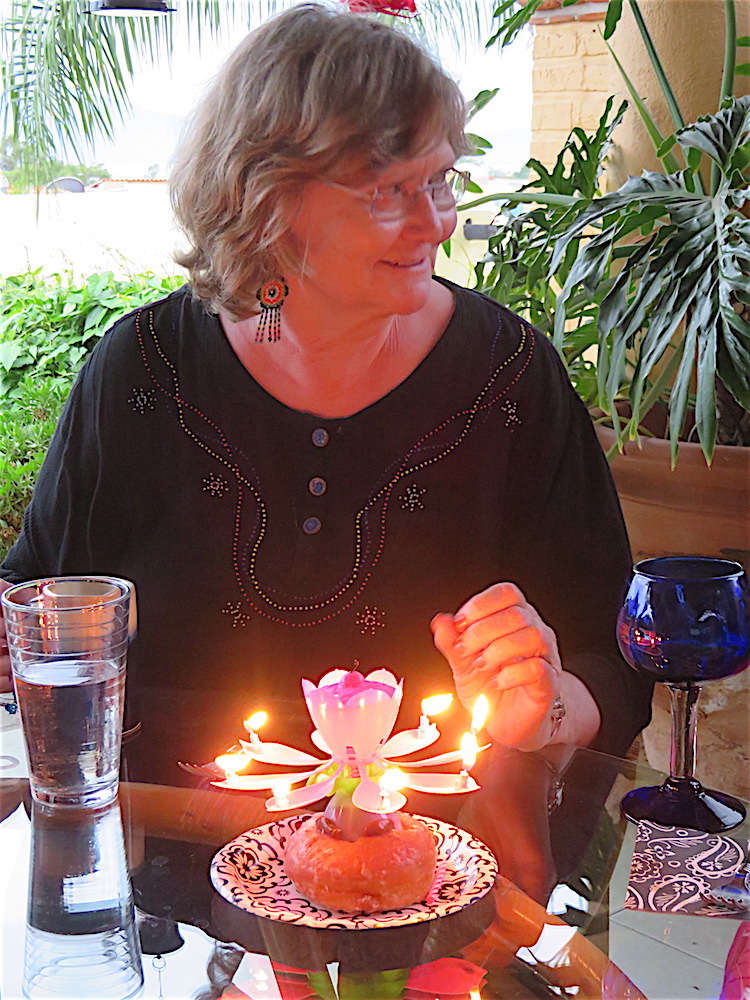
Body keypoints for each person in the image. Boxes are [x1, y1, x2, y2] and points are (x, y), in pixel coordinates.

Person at [0, 4, 652, 777]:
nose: (437, 223)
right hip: (164, 837)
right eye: (389, 189)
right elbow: (39, 595)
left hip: (439, 847)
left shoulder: (509, 379)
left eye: (439, 181)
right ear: (268, 196)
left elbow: (616, 657)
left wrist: (548, 708)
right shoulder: (142, 371)